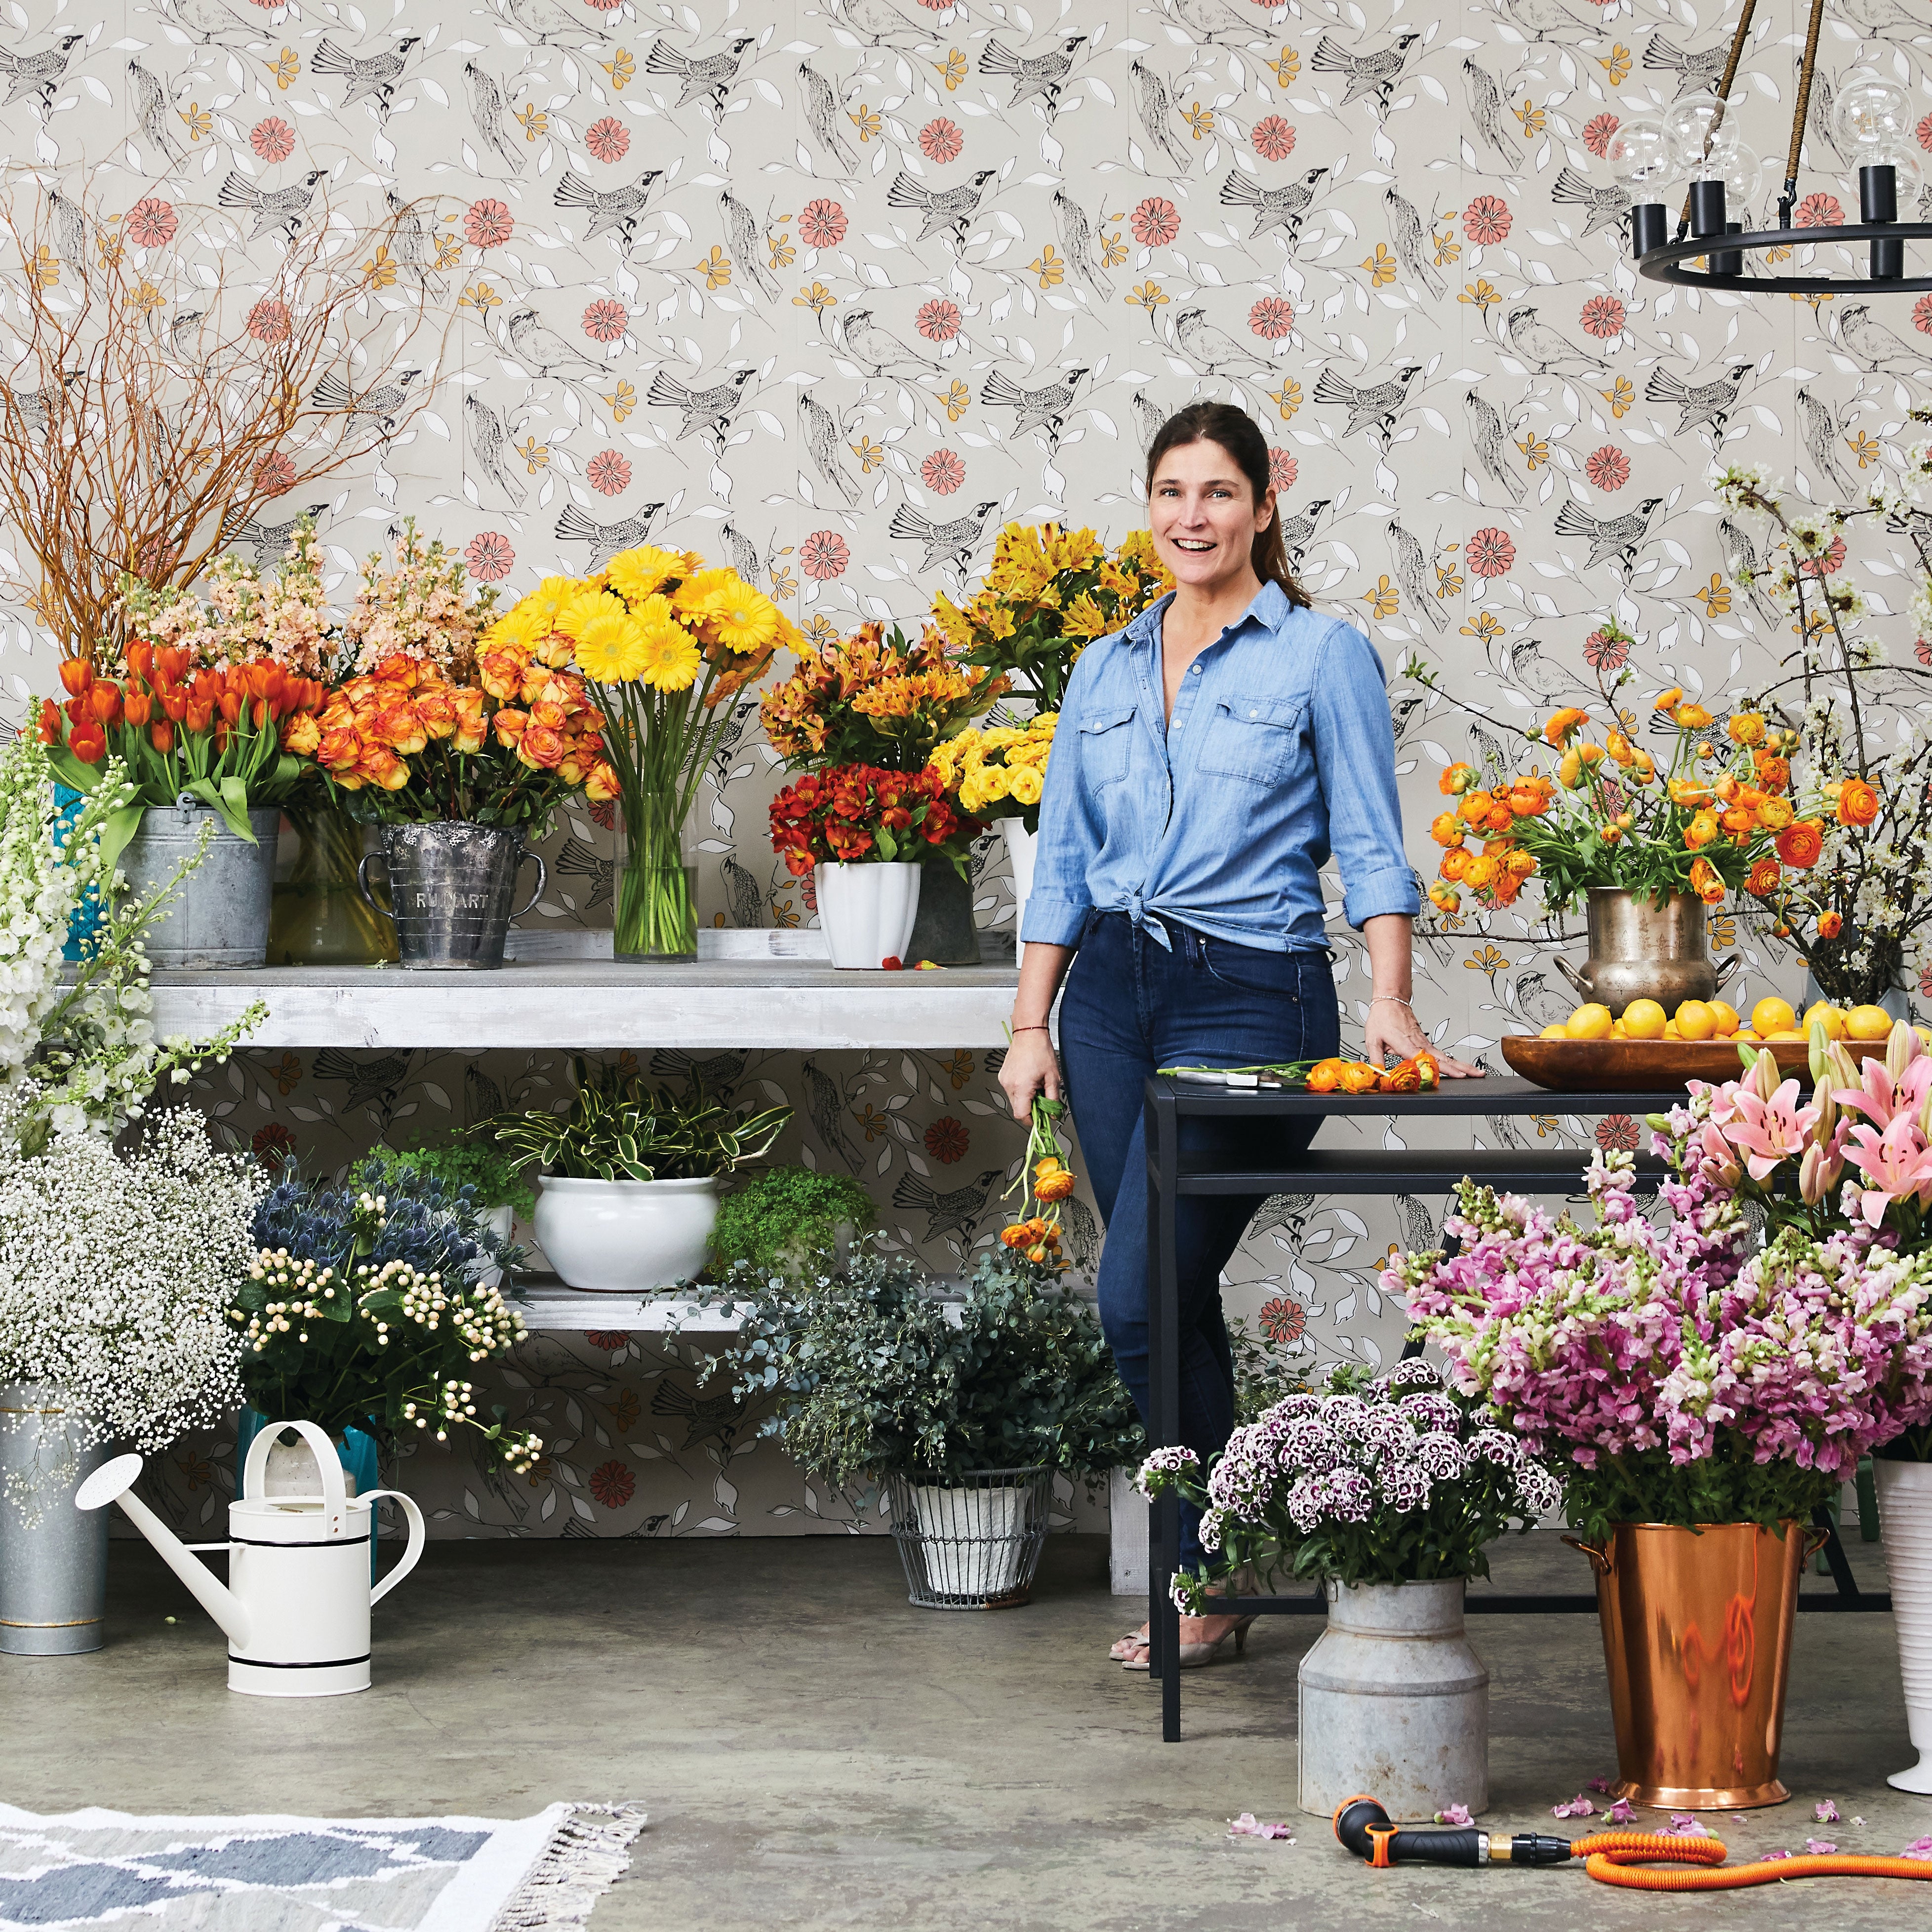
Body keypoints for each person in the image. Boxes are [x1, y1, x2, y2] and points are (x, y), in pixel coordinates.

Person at [997, 402, 1481, 1671]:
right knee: (1169, 1291)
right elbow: (1061, 864)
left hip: (1249, 1001)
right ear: (1148, 505)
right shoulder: (1104, 668)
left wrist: (1387, 998)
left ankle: (1199, 1576)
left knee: (1138, 1292)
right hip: (1106, 997)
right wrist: (1028, 1022)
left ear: (1266, 505)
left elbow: (1374, 842)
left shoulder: (1321, 657)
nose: (1191, 517)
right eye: (1171, 492)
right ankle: (1209, 1579)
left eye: (1218, 493)